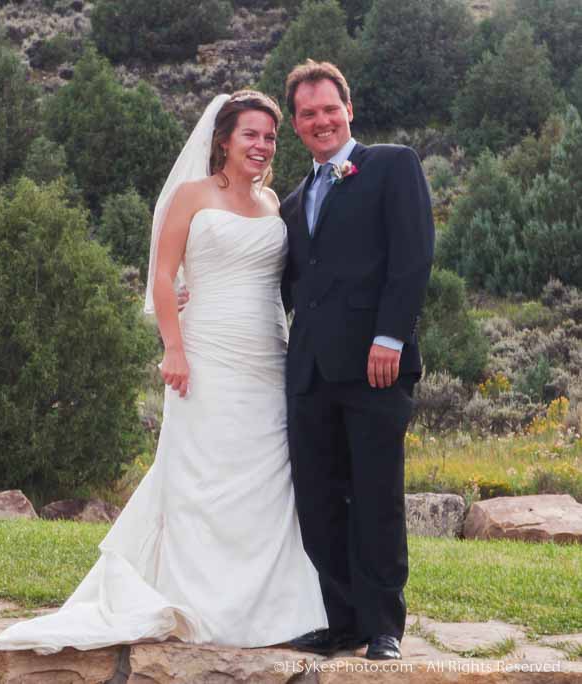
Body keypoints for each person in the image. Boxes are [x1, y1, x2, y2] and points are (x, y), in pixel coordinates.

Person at [0, 91, 327, 655]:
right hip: (206, 352)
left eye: (270, 136)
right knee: (202, 474)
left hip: (268, 355)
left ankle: (275, 607)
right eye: (251, 134)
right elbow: (163, 277)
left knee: (267, 479)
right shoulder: (192, 196)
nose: (262, 145)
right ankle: (202, 599)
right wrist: (173, 347)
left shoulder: (274, 204)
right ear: (223, 139)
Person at [280, 61, 434, 660]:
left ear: (350, 110)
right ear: (295, 124)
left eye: (329, 109)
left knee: (376, 497)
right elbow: (293, 282)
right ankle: (340, 618)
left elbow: (413, 256)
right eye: (307, 113)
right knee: (318, 503)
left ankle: (383, 627)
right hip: (311, 374)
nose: (320, 120)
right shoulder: (293, 202)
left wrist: (390, 337)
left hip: (377, 367)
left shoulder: (393, 165)